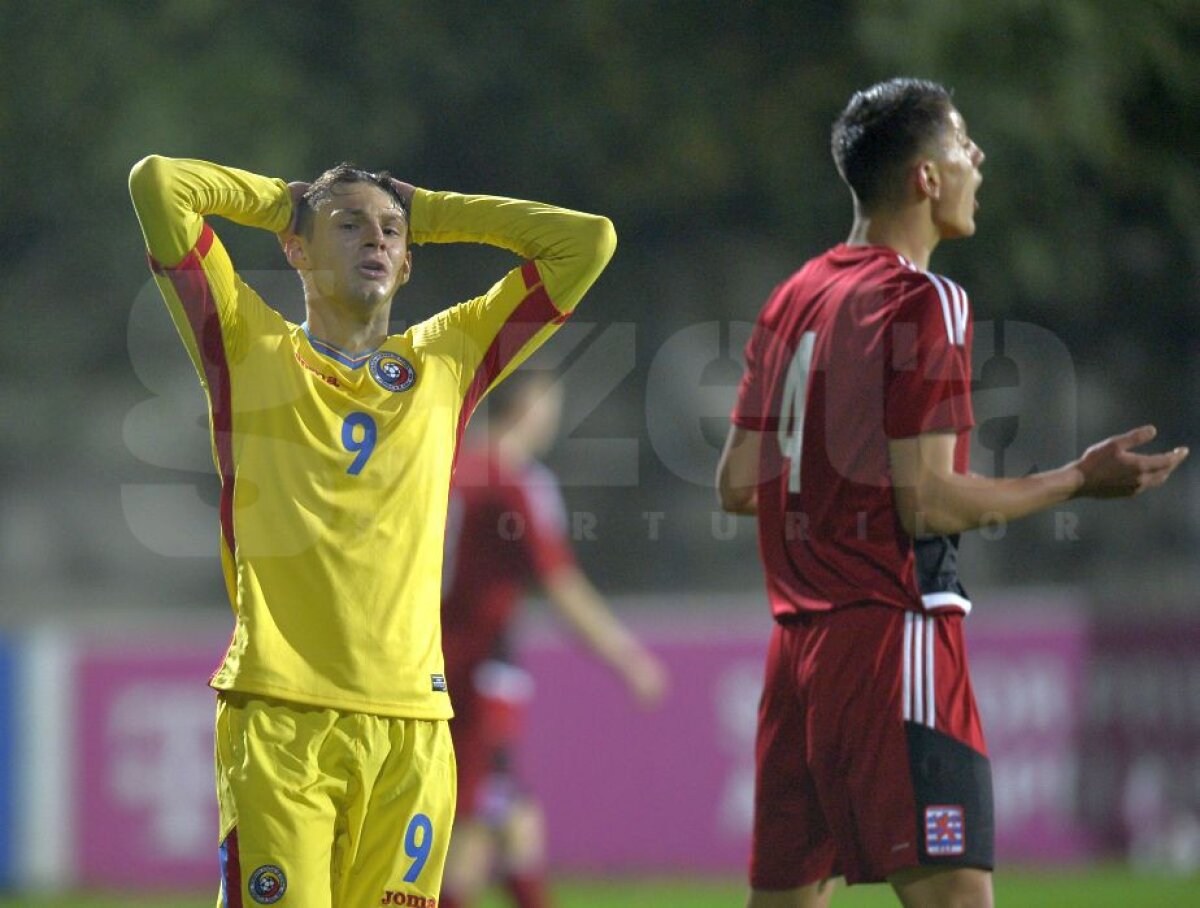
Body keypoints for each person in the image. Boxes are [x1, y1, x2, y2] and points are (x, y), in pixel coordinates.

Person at [716, 78, 1188, 908]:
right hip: (890, 638)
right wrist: (1080, 479)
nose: (978, 158)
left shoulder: (795, 297)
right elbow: (928, 503)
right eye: (963, 143)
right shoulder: (922, 298)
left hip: (798, 657)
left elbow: (738, 484)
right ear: (926, 178)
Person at [128, 155, 616, 908]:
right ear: (297, 249)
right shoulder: (247, 342)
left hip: (414, 731)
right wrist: (284, 203)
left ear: (409, 259)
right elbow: (161, 186)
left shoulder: (447, 357)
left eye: (390, 231)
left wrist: (432, 210)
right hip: (282, 717)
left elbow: (587, 243)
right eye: (349, 225)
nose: (376, 240)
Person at [438, 371, 667, 908]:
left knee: (513, 820)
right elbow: (560, 584)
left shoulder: (449, 466)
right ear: (529, 406)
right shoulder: (514, 481)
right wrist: (627, 658)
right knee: (474, 828)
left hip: (431, 662)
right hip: (479, 670)